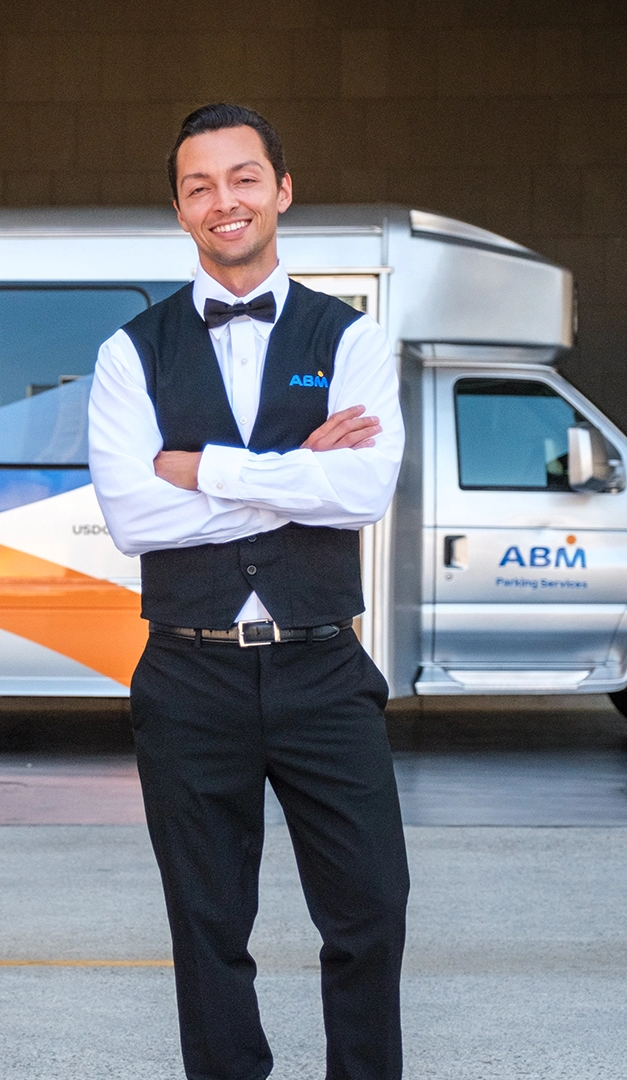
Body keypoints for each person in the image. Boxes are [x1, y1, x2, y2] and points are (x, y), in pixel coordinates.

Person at [86, 103, 411, 1080]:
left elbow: (362, 492)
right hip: (188, 675)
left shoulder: (351, 339)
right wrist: (293, 474)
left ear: (282, 190)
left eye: (243, 178)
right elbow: (133, 518)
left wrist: (203, 470)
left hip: (324, 666)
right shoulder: (129, 352)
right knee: (207, 923)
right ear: (179, 209)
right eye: (200, 186)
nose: (223, 201)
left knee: (373, 907)